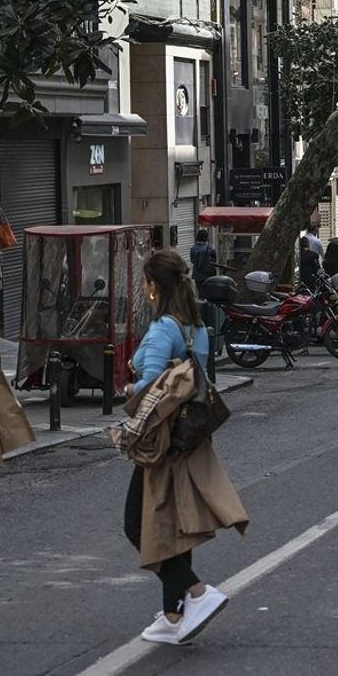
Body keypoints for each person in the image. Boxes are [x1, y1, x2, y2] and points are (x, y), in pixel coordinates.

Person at [120, 250, 246, 645]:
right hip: (190, 437)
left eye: (145, 283)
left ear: (155, 287)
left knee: (135, 523)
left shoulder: (163, 330)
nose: (144, 290)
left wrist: (129, 389)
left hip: (162, 439)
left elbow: (154, 387)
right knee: (173, 525)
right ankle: (175, 615)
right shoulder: (197, 329)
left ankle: (195, 591)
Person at [189, 229, 218, 294]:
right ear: (206, 237)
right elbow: (215, 259)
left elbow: (192, 260)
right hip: (208, 274)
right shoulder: (210, 247)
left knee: (201, 293)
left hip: (197, 274)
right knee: (209, 293)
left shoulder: (193, 248)